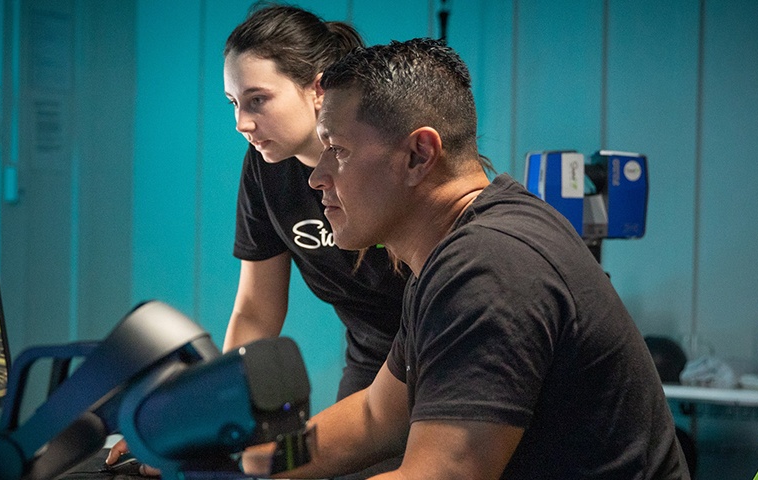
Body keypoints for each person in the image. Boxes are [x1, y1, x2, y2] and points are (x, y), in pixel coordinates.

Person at [241, 38, 689, 479]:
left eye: (337, 151)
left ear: (419, 155)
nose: (317, 178)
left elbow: (441, 474)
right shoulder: (449, 254)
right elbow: (375, 418)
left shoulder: (488, 267)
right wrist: (250, 464)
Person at [106, 5, 407, 477]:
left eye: (257, 100)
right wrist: (199, 425)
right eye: (233, 103)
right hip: (371, 364)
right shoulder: (266, 169)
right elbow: (256, 311)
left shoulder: (381, 162)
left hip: (439, 355)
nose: (241, 122)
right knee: (287, 467)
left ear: (318, 88)